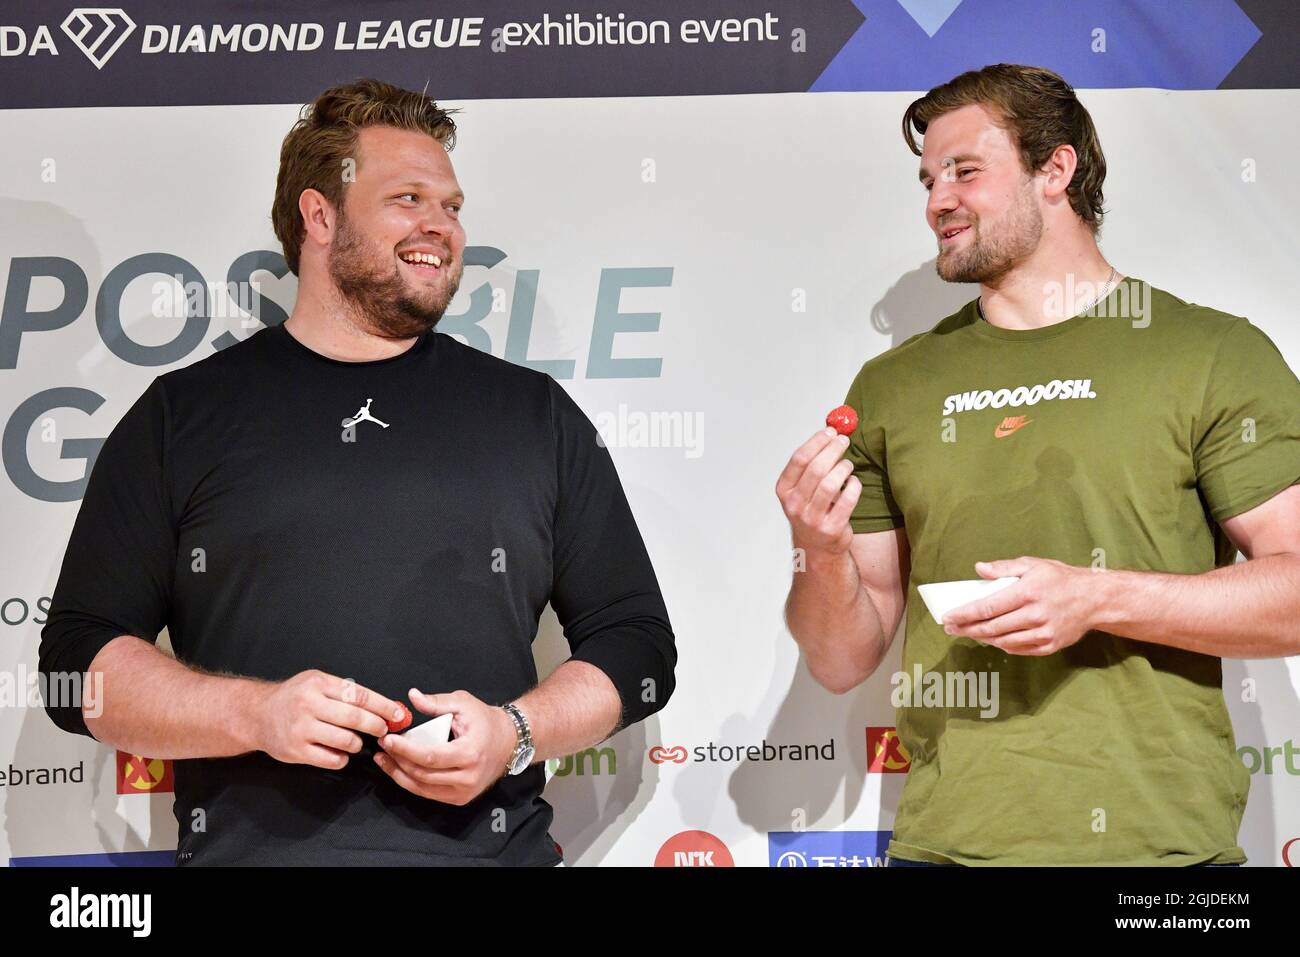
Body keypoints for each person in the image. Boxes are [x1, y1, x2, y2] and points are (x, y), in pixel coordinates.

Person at [39, 78, 677, 866]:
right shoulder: (182, 416)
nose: (440, 227)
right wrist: (254, 713)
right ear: (319, 215)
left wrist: (515, 733)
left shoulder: (533, 415)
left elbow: (639, 644)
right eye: (408, 198)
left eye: (450, 205)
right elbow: (77, 665)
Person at [777, 64, 1300, 866]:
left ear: (1055, 169)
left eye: (964, 170)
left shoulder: (1211, 354)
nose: (936, 201)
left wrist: (1098, 596)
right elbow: (842, 657)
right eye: (927, 180)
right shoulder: (894, 386)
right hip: (943, 847)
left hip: (1160, 857)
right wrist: (816, 543)